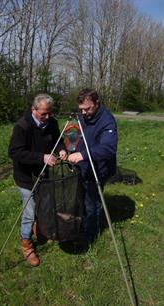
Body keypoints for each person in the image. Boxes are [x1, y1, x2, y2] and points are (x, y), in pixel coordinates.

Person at [8, 94, 67, 266]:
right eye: (43, 114)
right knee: (29, 211)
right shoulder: (22, 126)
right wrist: (41, 157)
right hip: (26, 177)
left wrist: (62, 149)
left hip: (44, 174)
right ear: (33, 110)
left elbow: (58, 140)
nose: (47, 117)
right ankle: (26, 245)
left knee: (45, 205)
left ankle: (40, 231)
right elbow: (14, 153)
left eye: (50, 113)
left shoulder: (52, 123)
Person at [68, 88, 118, 242]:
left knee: (92, 204)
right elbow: (74, 135)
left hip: (98, 170)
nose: (84, 113)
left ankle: (91, 235)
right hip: (82, 167)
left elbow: (108, 148)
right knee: (81, 199)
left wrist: (82, 155)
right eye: (81, 109)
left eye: (87, 109)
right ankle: (83, 224)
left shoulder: (107, 121)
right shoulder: (82, 117)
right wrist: (68, 148)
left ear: (97, 103)